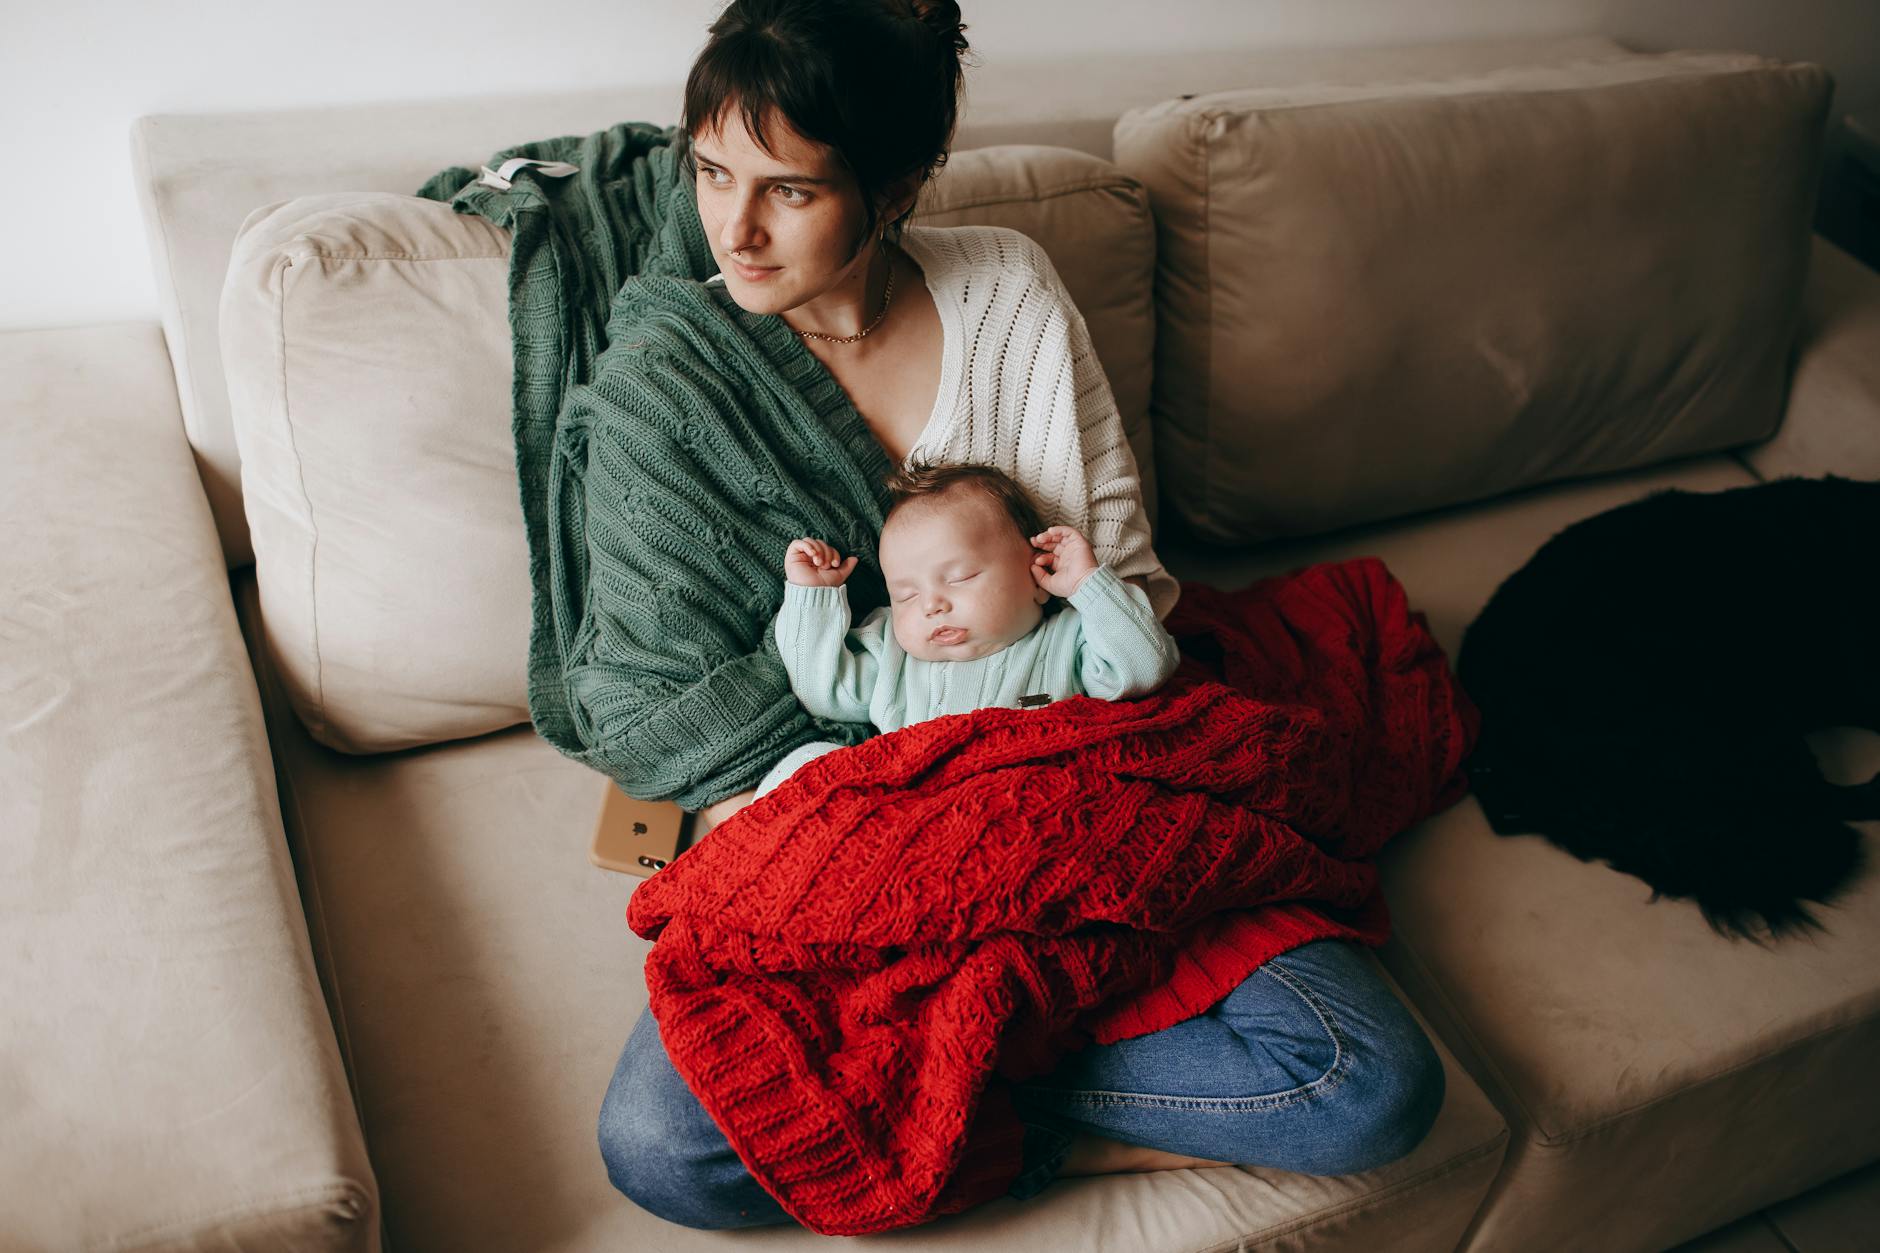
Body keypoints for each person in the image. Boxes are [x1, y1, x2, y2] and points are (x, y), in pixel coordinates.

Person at [597, 0, 1447, 1228]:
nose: (731, 228)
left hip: (1064, 767)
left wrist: (1019, 740)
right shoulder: (667, 379)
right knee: (657, 1148)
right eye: (713, 170)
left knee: (1372, 1086)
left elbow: (1131, 585)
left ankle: (947, 1103)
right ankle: (1030, 1109)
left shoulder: (1005, 290)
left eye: (789, 190)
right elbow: (664, 695)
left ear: (890, 190)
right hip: (845, 819)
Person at [755, 461, 1182, 797]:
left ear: (1037, 577)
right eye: (904, 595)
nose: (932, 604)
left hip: (1035, 799)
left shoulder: (1068, 640)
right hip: (917, 809)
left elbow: (1146, 667)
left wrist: (1089, 586)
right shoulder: (894, 655)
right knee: (806, 764)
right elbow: (822, 690)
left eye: (959, 578)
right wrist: (811, 597)